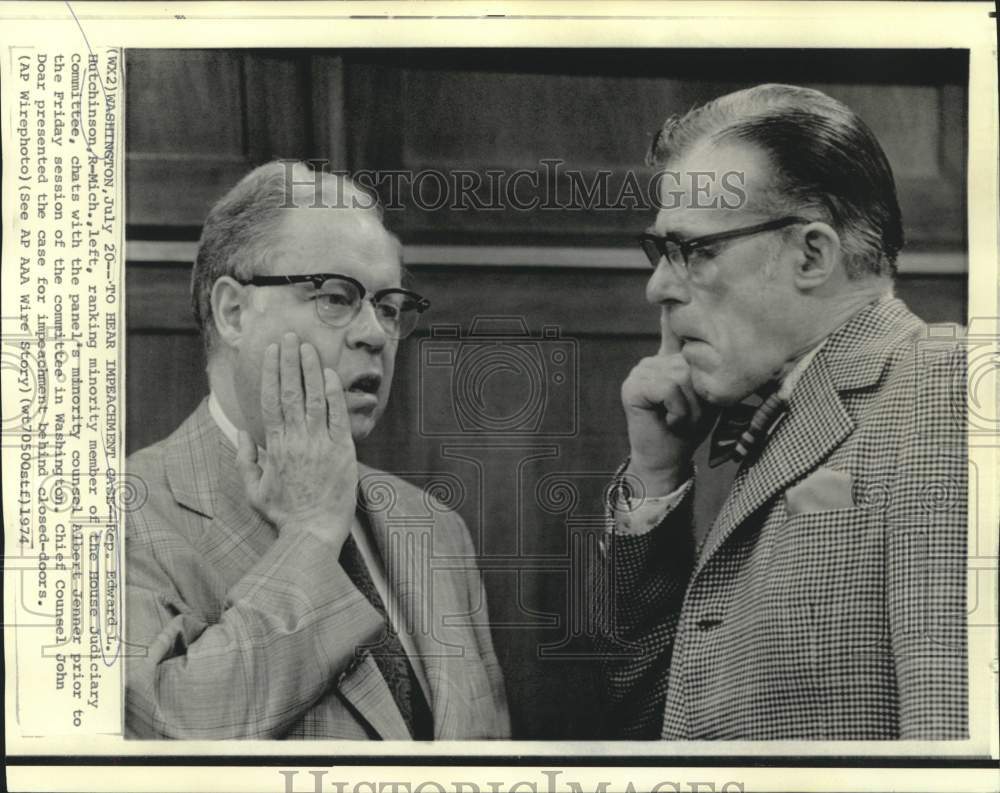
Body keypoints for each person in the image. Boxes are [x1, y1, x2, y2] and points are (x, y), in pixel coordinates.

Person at [596, 84, 967, 740]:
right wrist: (656, 476)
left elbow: (950, 735)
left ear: (812, 255)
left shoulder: (942, 384)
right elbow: (654, 727)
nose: (658, 286)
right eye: (662, 252)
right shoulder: (752, 422)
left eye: (696, 251)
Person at [125, 162, 510, 740]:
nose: (375, 334)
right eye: (337, 297)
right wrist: (309, 536)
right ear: (233, 312)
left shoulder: (434, 527)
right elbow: (165, 737)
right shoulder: (113, 515)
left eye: (387, 305)